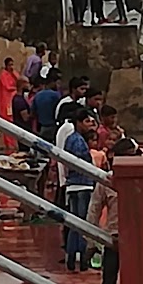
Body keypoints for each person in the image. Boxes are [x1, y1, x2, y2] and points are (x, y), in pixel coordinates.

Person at [87, 137, 140, 284]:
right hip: (114, 240)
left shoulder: (141, 180)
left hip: (136, 241)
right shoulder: (107, 181)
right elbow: (93, 210)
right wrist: (91, 242)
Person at [62, 108, 98, 271]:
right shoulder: (78, 141)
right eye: (86, 122)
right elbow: (80, 163)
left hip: (73, 185)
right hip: (82, 184)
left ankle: (71, 259)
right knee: (82, 224)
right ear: (79, 122)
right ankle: (82, 260)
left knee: (74, 224)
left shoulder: (71, 139)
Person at [31, 71, 63, 141]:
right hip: (54, 127)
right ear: (52, 82)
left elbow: (33, 113)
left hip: (42, 128)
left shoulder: (37, 96)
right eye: (57, 83)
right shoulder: (56, 95)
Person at [0, 57, 20, 143]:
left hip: (13, 99)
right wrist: (16, 88)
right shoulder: (3, 75)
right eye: (10, 65)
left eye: (12, 65)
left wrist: (13, 72)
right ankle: (9, 143)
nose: (11, 67)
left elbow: (19, 80)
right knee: (8, 121)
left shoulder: (13, 73)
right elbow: (8, 87)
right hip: (6, 101)